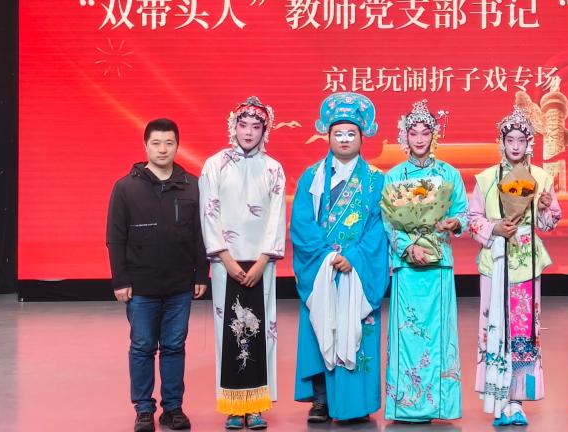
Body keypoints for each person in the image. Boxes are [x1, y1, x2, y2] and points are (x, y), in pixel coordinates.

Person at [292, 92, 389, 424]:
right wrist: (325, 258)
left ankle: (356, 404)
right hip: (321, 268)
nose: (345, 139)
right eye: (338, 133)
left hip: (357, 269)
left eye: (351, 133)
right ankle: (320, 399)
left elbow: (379, 228)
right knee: (318, 328)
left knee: (357, 332)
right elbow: (302, 223)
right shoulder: (311, 177)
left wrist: (354, 258)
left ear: (362, 137)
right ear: (328, 136)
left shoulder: (376, 180)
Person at [106, 118, 208, 432]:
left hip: (179, 285)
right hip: (141, 286)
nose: (162, 149)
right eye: (156, 143)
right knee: (142, 347)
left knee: (175, 347)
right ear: (145, 146)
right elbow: (115, 237)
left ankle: (173, 409)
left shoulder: (192, 185)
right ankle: (143, 410)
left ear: (177, 146)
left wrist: (201, 275)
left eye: (169, 143)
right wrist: (120, 280)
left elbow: (200, 234)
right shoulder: (126, 187)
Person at [468, 104, 562, 427]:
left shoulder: (541, 178)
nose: (516, 146)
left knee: (523, 330)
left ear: (529, 143)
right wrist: (495, 228)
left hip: (526, 262)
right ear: (502, 142)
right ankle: (496, 397)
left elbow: (548, 223)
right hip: (495, 261)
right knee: (495, 328)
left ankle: (517, 400)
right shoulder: (486, 179)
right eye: (510, 140)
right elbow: (473, 218)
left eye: (522, 140)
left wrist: (546, 208)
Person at [199, 97, 287, 431]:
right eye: (243, 125)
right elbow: (209, 213)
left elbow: (276, 216)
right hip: (226, 262)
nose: (248, 132)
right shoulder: (214, 165)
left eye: (256, 126)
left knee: (263, 331)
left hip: (262, 262)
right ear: (233, 127)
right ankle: (233, 407)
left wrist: (264, 259)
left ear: (265, 130)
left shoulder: (273, 168)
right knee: (229, 332)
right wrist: (225, 258)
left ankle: (258, 405)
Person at [383, 100, 469, 423]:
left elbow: (463, 213)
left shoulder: (449, 174)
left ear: (434, 135)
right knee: (407, 335)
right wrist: (408, 248)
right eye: (413, 133)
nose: (419, 139)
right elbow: (388, 221)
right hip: (407, 268)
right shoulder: (393, 176)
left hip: (439, 266)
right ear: (404, 136)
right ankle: (405, 405)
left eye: (425, 132)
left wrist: (454, 223)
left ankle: (440, 406)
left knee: (438, 336)